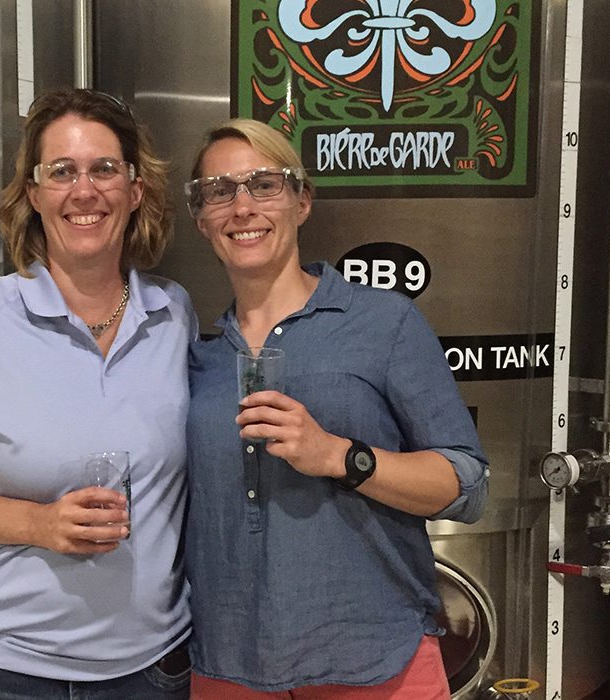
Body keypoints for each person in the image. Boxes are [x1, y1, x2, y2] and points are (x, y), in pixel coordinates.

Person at [0, 88, 195, 699]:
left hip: (152, 673)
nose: (85, 191)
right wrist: (40, 523)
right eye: (62, 172)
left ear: (136, 190)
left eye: (105, 169)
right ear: (33, 194)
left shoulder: (174, 314)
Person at [182, 119, 488, 699]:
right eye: (221, 191)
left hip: (374, 660)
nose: (242, 206)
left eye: (264, 184)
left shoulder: (384, 323)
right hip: (227, 663)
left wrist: (341, 456)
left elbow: (468, 485)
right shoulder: (198, 356)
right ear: (202, 220)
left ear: (302, 200)